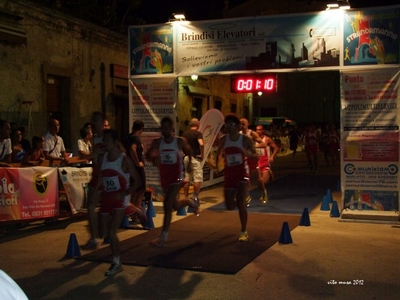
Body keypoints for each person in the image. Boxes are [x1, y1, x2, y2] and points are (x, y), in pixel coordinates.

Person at [92, 129, 143, 276]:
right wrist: (96, 193)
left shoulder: (124, 159)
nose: (105, 143)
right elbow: (101, 176)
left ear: (115, 143)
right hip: (107, 198)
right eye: (104, 140)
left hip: (120, 199)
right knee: (104, 232)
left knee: (112, 232)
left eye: (108, 140)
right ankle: (137, 211)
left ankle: (116, 262)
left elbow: (137, 181)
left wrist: (125, 193)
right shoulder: (103, 158)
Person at [145, 116, 199, 247]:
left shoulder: (179, 141)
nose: (165, 130)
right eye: (162, 128)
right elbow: (147, 155)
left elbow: (190, 151)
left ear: (172, 128)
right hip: (165, 177)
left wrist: (190, 163)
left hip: (177, 176)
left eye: (167, 128)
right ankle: (191, 201)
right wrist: (153, 159)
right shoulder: (158, 143)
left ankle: (163, 236)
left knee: (167, 205)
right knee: (174, 205)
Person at [216, 113, 258, 242]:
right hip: (229, 174)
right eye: (227, 124)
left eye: (231, 124)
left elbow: (256, 157)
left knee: (240, 203)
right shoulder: (223, 140)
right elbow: (218, 155)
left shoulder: (245, 140)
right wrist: (219, 167)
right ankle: (243, 197)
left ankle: (243, 230)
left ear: (237, 126)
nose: (228, 127)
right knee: (229, 206)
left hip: (242, 173)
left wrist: (246, 153)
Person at [81, 112, 108, 250]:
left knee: (92, 205)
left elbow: (107, 155)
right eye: (93, 120)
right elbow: (96, 155)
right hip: (97, 172)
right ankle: (98, 235)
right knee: (93, 206)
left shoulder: (105, 137)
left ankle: (95, 237)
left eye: (97, 120)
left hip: (103, 173)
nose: (95, 123)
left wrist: (100, 178)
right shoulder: (96, 138)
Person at [124, 120, 147, 223]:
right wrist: (138, 163)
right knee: (140, 190)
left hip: (130, 168)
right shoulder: (135, 138)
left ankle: (132, 213)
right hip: (136, 169)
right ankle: (136, 214)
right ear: (141, 128)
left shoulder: (128, 137)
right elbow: (132, 149)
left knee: (134, 191)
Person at [239, 118, 265, 206]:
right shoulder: (239, 134)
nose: (241, 124)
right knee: (243, 178)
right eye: (240, 123)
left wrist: (253, 147)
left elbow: (263, 144)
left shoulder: (252, 133)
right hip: (243, 159)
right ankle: (246, 196)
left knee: (259, 179)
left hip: (252, 158)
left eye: (243, 123)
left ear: (247, 124)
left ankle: (263, 191)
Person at [181, 118, 204, 203]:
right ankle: (195, 197)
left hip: (187, 158)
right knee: (197, 179)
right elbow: (201, 144)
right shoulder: (198, 134)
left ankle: (186, 197)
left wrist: (184, 153)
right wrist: (202, 154)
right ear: (197, 124)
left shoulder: (184, 134)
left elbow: (181, 145)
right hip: (195, 158)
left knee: (187, 178)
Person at [255, 125, 279, 203]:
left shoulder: (267, 139)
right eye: (257, 130)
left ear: (263, 130)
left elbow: (276, 148)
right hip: (257, 163)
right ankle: (263, 192)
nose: (258, 131)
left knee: (263, 181)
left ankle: (264, 194)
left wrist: (272, 156)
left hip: (265, 163)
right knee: (259, 182)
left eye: (260, 130)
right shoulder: (253, 140)